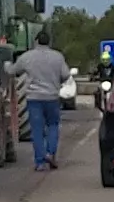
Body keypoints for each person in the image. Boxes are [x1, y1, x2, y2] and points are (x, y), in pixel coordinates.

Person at [12, 38, 71, 169]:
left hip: (34, 98)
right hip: (52, 97)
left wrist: (5, 65)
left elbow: (14, 70)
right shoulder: (57, 56)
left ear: (36, 41)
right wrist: (57, 81)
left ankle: (39, 162)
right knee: (53, 125)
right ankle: (50, 153)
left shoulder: (27, 56)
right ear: (48, 42)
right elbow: (66, 74)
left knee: (37, 129)